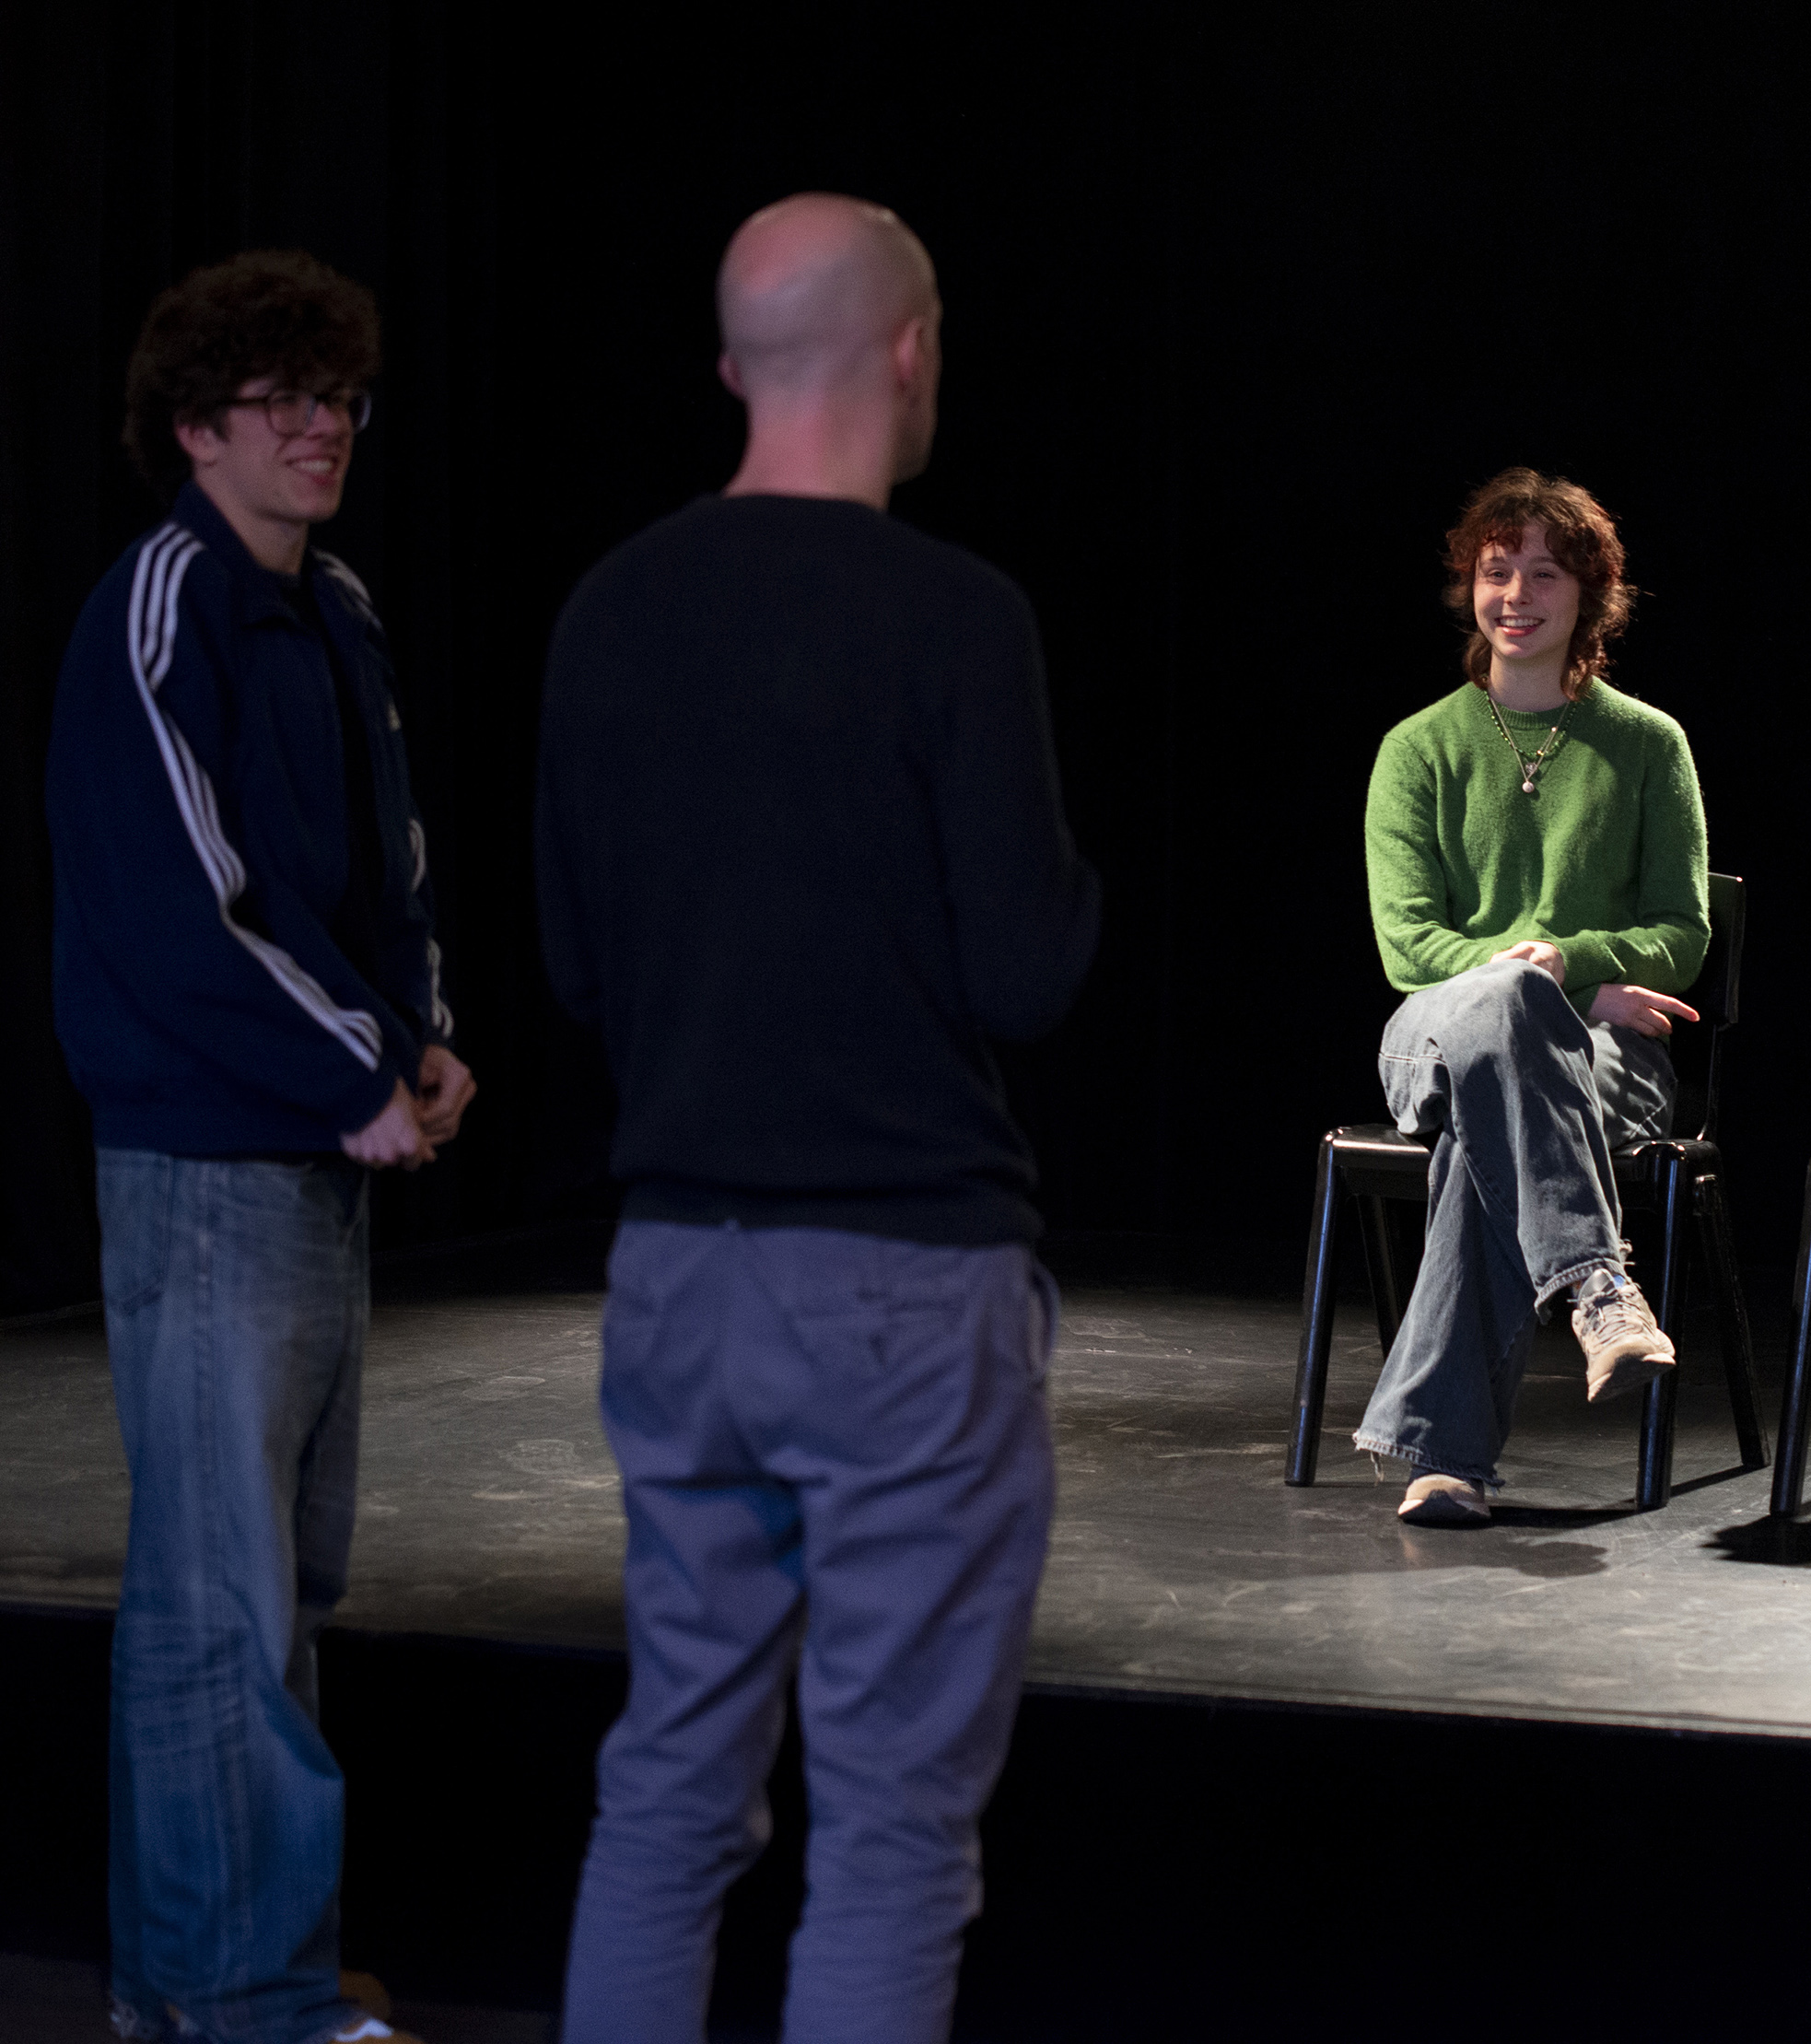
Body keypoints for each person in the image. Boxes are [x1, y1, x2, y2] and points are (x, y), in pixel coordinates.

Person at [536, 193, 1099, 2043]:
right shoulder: (957, 617)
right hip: (901, 1280)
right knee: (890, 1830)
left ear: (733, 365)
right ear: (912, 350)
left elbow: (572, 964)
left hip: (677, 1267)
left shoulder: (609, 607)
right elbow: (1026, 969)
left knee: (668, 1783)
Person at [45, 250, 474, 2044]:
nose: (322, 429)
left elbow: (389, 865)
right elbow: (180, 909)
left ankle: (200, 1980)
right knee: (222, 1603)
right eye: (281, 400)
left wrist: (417, 1035)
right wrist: (346, 1069)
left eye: (339, 397)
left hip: (315, 1148)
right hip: (213, 1163)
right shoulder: (162, 604)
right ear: (195, 427)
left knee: (269, 1587)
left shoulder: (339, 604)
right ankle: (245, 1996)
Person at [1354, 467, 1707, 1527]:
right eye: (1495, 570)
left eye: (1543, 573)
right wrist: (1566, 984)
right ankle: (1595, 1281)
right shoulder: (1415, 748)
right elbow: (1407, 946)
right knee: (1503, 1013)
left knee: (1487, 1132)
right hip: (1433, 1031)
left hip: (1599, 1059)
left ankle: (1441, 1458)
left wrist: (1566, 963)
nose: (1514, 594)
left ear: (1588, 593)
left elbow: (1682, 934)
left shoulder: (1647, 744)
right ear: (1469, 586)